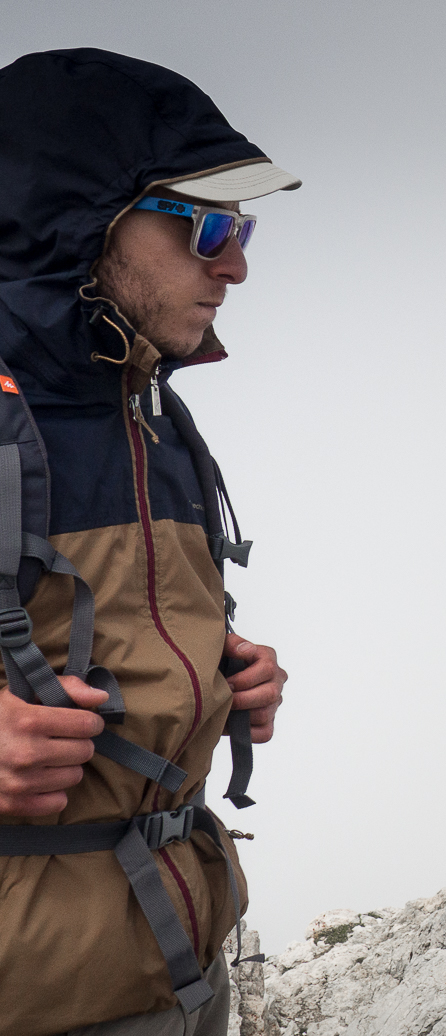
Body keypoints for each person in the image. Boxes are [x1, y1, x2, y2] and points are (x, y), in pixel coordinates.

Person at [0, 49, 293, 1036]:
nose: (235, 263)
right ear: (83, 220)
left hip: (180, 966)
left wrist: (216, 674)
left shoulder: (150, 413)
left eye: (240, 228)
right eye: (207, 226)